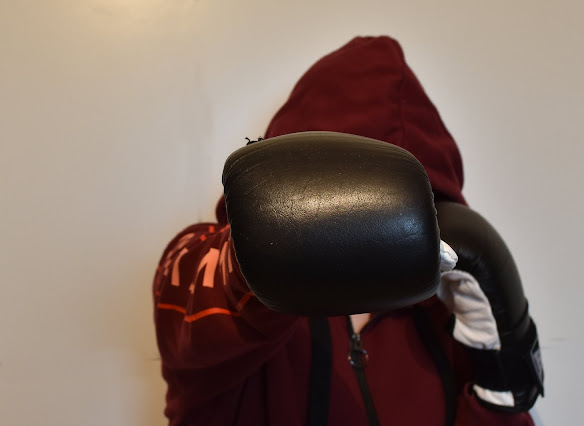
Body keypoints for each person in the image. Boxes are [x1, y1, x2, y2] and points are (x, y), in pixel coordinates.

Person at [153, 36, 543, 426]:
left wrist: (501, 390)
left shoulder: (448, 312)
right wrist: (263, 250)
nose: (377, 218)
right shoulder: (207, 268)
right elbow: (188, 323)